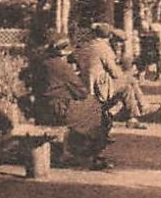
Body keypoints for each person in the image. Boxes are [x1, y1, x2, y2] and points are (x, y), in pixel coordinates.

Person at [33, 37, 111, 170]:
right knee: (96, 108)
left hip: (41, 106)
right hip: (58, 107)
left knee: (90, 108)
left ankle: (80, 147)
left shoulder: (43, 63)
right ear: (64, 53)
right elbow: (81, 92)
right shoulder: (62, 67)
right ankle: (90, 152)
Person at [74, 23, 152, 129]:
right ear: (109, 36)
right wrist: (126, 73)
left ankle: (137, 112)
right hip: (100, 88)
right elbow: (115, 73)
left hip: (84, 85)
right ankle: (140, 110)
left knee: (128, 84)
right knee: (129, 82)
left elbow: (73, 60)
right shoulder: (103, 48)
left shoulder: (84, 46)